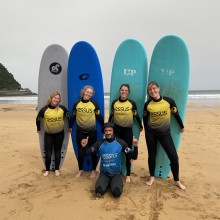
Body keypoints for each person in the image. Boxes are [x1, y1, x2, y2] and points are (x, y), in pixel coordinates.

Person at [143, 81, 186, 190]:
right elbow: (145, 118)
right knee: (152, 156)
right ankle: (152, 177)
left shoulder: (169, 101)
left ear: (158, 88)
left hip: (165, 134)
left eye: (154, 89)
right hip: (151, 134)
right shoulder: (147, 104)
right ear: (148, 92)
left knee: (174, 157)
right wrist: (147, 132)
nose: (152, 91)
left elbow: (176, 114)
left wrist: (181, 126)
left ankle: (176, 180)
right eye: (150, 90)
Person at [81, 122, 139, 198]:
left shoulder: (121, 143)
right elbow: (86, 154)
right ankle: (106, 182)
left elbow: (134, 156)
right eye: (106, 131)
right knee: (98, 191)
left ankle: (112, 183)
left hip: (116, 174)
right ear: (104, 132)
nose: (108, 133)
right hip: (104, 174)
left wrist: (135, 146)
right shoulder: (99, 143)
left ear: (113, 131)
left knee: (116, 193)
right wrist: (84, 147)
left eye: (110, 130)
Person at [108, 84, 143, 183]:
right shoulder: (115, 103)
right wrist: (107, 127)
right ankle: (115, 171)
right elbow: (111, 116)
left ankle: (128, 175)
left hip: (127, 131)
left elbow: (136, 116)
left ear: (128, 92)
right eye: (122, 90)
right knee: (115, 152)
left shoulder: (131, 103)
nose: (124, 92)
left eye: (126, 90)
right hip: (117, 132)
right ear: (120, 91)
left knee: (127, 153)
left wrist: (140, 125)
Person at [69, 85, 104, 178]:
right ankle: (80, 170)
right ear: (83, 92)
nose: (89, 94)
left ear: (92, 95)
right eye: (87, 92)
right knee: (80, 151)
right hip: (80, 131)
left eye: (91, 93)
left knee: (93, 151)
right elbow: (73, 116)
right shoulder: (77, 104)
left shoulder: (94, 104)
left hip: (92, 131)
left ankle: (93, 170)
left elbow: (99, 116)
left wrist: (104, 126)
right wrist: (70, 126)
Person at [36, 91, 69, 177]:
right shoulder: (44, 110)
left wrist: (70, 127)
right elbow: (38, 119)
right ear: (51, 98)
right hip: (48, 134)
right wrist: (38, 128)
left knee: (58, 152)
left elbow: (69, 117)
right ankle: (47, 170)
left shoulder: (62, 108)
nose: (56, 100)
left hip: (59, 134)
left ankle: (56, 170)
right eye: (55, 98)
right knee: (48, 153)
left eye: (58, 99)